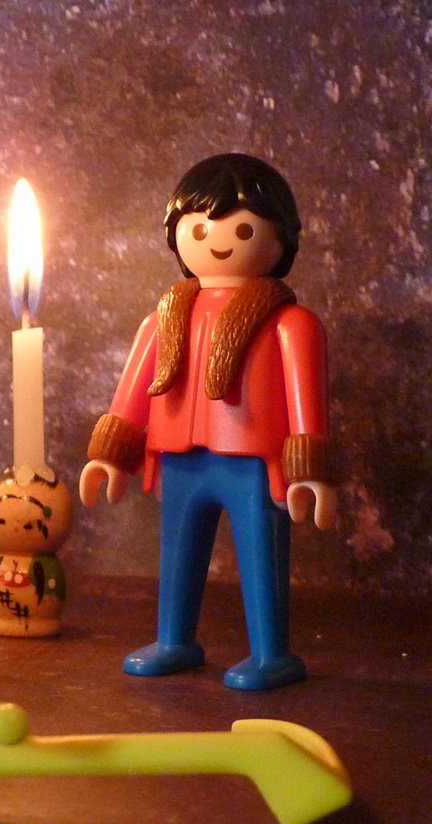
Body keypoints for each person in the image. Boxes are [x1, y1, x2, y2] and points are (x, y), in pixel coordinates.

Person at [80, 153, 335, 690]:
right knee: (177, 554)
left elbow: (306, 398)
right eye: (199, 227)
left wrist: (310, 469)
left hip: (252, 462)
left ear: (282, 237)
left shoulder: (290, 323)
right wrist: (110, 453)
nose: (218, 240)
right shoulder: (164, 317)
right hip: (180, 459)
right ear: (177, 234)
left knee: (260, 556)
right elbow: (132, 392)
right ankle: (174, 639)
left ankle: (270, 653)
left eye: (243, 229)